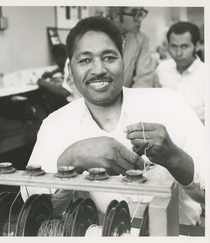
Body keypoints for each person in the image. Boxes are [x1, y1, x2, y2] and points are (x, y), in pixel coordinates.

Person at [22, 17, 206, 226]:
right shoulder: (55, 125)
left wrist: (175, 159)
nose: (99, 69)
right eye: (84, 60)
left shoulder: (168, 104)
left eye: (109, 57)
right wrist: (69, 161)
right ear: (70, 69)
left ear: (123, 61)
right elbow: (33, 213)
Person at [155, 22, 205, 122]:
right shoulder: (162, 69)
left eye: (184, 46)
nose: (178, 53)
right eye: (174, 46)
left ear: (197, 46)